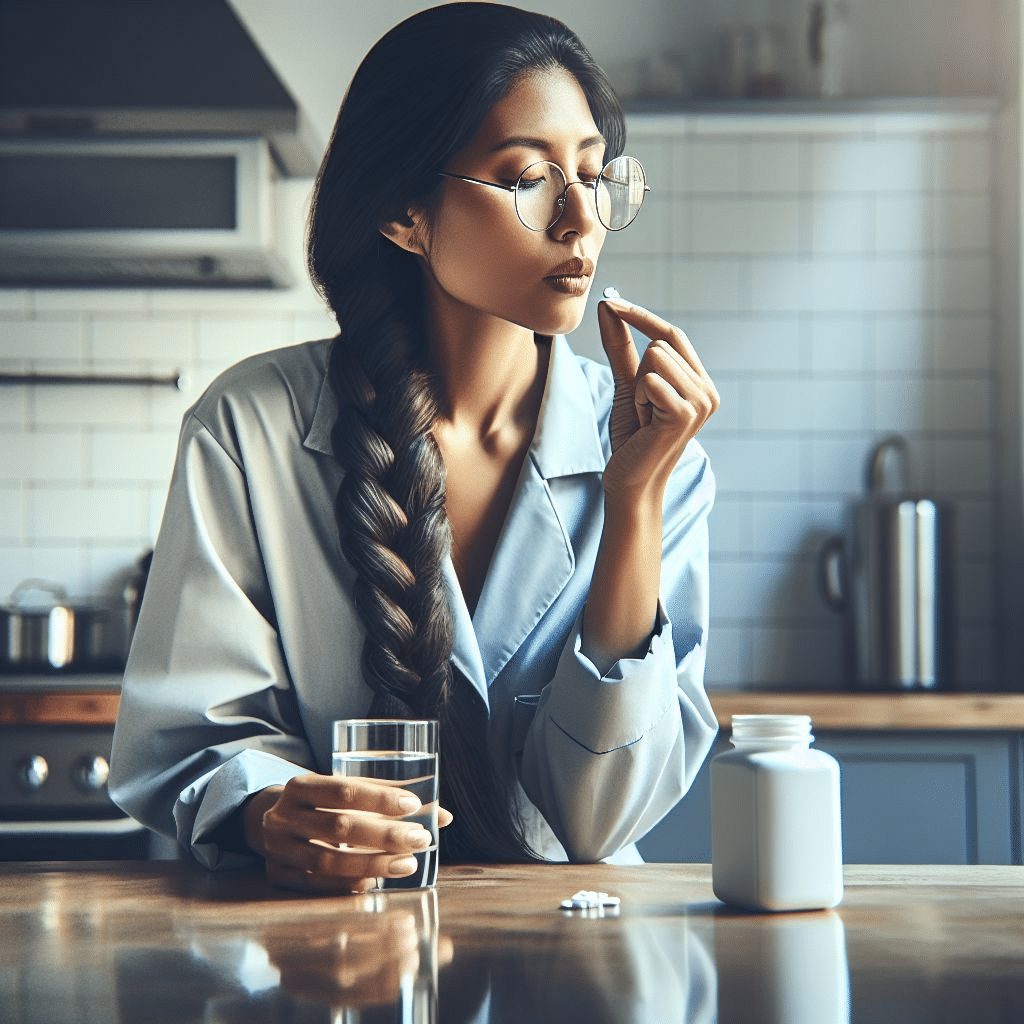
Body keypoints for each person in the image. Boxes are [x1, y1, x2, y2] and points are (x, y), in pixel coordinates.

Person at [109, 1, 720, 894]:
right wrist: (272, 810)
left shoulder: (662, 451)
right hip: (329, 951)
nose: (579, 221)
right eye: (528, 178)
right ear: (405, 210)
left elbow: (593, 823)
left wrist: (632, 503)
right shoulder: (249, 428)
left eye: (593, 176)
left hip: (581, 961)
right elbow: (196, 742)